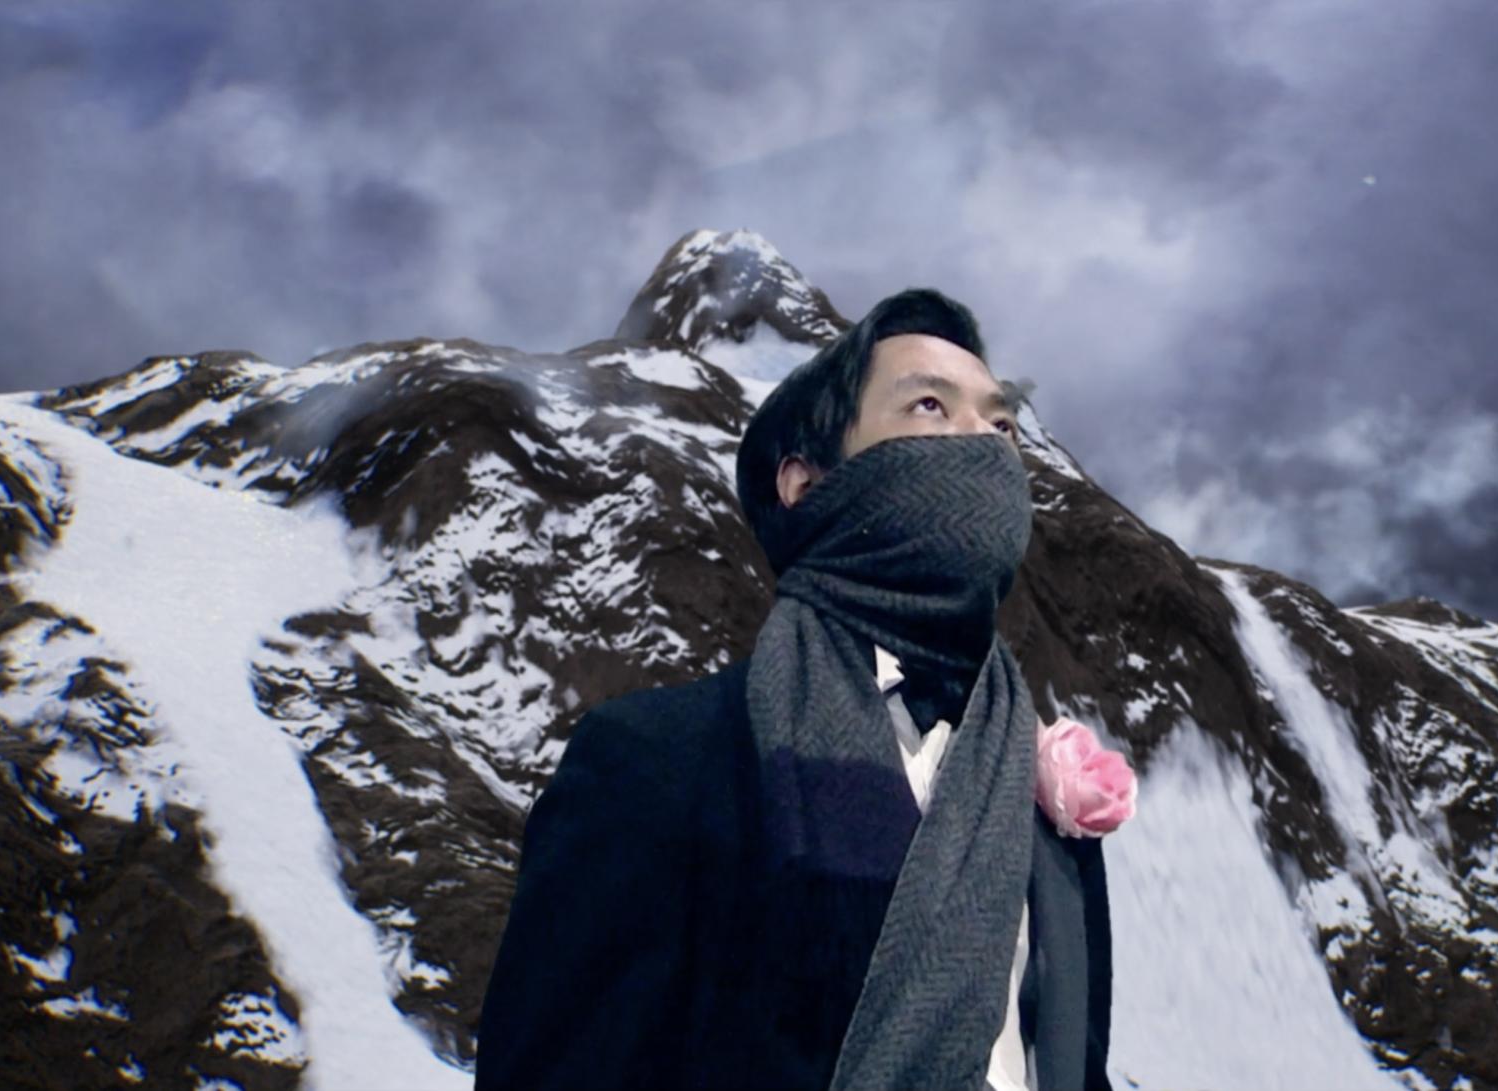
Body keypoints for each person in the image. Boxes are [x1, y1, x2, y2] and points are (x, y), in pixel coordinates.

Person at [474, 288, 1114, 1090]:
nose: (986, 446)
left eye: (1003, 424)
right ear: (807, 486)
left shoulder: (1045, 812)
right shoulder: (659, 763)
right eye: (928, 405)